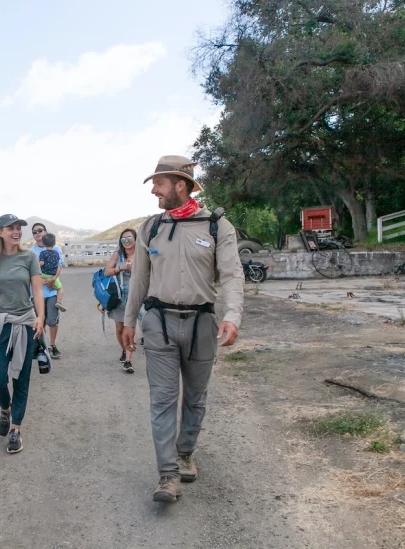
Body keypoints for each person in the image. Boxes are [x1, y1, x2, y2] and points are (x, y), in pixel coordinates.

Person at [122, 155, 244, 503]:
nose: (154, 192)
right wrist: (129, 321)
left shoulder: (218, 227)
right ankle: (167, 475)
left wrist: (232, 315)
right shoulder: (151, 227)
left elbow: (233, 275)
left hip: (201, 323)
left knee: (195, 397)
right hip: (158, 323)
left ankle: (185, 452)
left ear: (180, 184)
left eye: (158, 184)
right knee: (161, 400)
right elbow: (140, 279)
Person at [0, 214, 46, 454]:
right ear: (0, 232)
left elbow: (37, 290)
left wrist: (41, 317)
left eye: (18, 228)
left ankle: (16, 428)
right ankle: (5, 409)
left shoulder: (29, 257)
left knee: (21, 378)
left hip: (24, 323)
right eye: (11, 228)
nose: (16, 232)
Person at [104, 229, 137, 373]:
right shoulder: (118, 255)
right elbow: (107, 272)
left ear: (136, 239)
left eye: (129, 238)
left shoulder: (142, 254)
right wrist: (121, 267)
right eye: (123, 239)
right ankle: (124, 349)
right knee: (119, 328)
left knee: (130, 326)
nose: (127, 241)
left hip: (136, 296)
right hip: (119, 296)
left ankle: (128, 360)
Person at [29, 222, 63, 359]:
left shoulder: (57, 248)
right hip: (37, 292)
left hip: (52, 290)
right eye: (34, 232)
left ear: (45, 232)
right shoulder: (31, 251)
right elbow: (31, 271)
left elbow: (59, 265)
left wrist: (53, 279)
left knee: (52, 320)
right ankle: (41, 345)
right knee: (39, 321)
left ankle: (52, 345)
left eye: (40, 230)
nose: (37, 233)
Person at [38, 233, 66, 311]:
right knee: (60, 288)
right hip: (53, 276)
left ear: (43, 243)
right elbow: (58, 265)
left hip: (43, 275)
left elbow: (41, 263)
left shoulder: (43, 253)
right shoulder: (56, 254)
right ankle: (59, 302)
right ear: (54, 243)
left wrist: (36, 266)